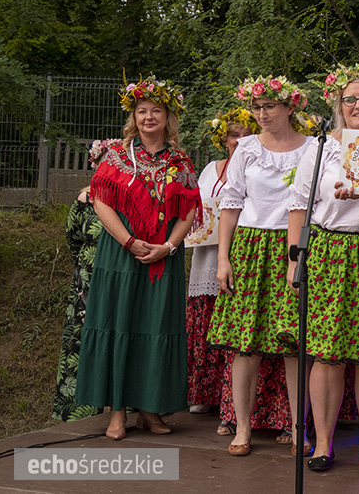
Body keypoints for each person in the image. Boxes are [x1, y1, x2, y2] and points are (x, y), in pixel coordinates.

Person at [287, 63, 359, 473]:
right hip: (329, 253)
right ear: (339, 104)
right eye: (350, 99)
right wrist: (293, 262)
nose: (358, 105)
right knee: (326, 355)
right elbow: (299, 208)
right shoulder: (320, 148)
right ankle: (322, 443)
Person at [76, 75, 202, 440]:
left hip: (163, 258)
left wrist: (169, 247)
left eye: (156, 111)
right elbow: (101, 200)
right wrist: (129, 241)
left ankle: (149, 409)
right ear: (134, 116)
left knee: (157, 328)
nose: (149, 117)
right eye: (142, 111)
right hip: (120, 256)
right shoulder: (117, 154)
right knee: (120, 325)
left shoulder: (180, 160)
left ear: (168, 117)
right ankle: (117, 410)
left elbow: (189, 210)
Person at [206, 76, 314, 457]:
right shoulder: (247, 148)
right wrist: (223, 258)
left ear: (289, 107)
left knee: (293, 343)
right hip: (250, 246)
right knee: (243, 345)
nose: (263, 113)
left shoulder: (312, 148)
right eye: (257, 107)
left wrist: (299, 254)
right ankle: (243, 427)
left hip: (294, 245)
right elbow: (231, 202)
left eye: (270, 105)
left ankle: (299, 428)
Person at [186, 108, 258, 415]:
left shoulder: (256, 167)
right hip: (207, 254)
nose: (239, 140)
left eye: (245, 134)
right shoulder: (209, 170)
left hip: (240, 251)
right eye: (233, 135)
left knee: (233, 325)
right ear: (224, 139)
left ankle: (233, 397)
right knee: (206, 321)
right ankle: (207, 392)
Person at [53, 139, 121, 422]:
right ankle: (80, 409)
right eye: (105, 163)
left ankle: (122, 405)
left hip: (119, 278)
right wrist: (85, 268)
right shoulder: (84, 200)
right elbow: (72, 239)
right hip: (88, 280)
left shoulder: (131, 199)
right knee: (81, 341)